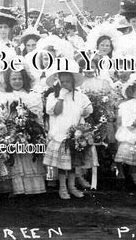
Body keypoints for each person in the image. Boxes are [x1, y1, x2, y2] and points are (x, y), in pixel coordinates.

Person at [43, 64, 93, 199]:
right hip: (60, 133)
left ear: (73, 82)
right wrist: (61, 97)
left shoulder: (80, 96)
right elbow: (56, 111)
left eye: (68, 81)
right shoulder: (53, 96)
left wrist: (84, 112)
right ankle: (63, 188)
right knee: (62, 165)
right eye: (62, 81)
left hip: (75, 133)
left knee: (73, 163)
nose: (65, 84)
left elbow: (88, 110)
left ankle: (72, 187)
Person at [0, 67, 46, 195]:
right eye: (14, 79)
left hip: (28, 132)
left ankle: (32, 188)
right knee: (14, 159)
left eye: (20, 78)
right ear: (8, 80)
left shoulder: (31, 96)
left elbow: (37, 115)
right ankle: (16, 188)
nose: (17, 81)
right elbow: (2, 115)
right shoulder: (4, 96)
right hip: (11, 132)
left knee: (28, 157)